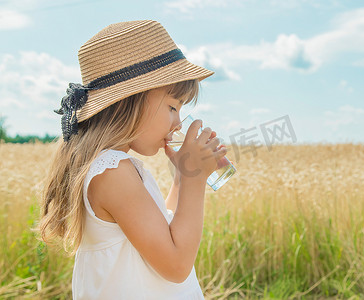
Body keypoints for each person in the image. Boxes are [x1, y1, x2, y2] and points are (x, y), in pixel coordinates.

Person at [37, 20, 227, 299]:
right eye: (172, 107)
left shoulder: (110, 168)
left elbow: (163, 231)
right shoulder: (112, 172)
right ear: (131, 99)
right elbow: (175, 265)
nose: (177, 123)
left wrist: (182, 176)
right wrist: (195, 179)